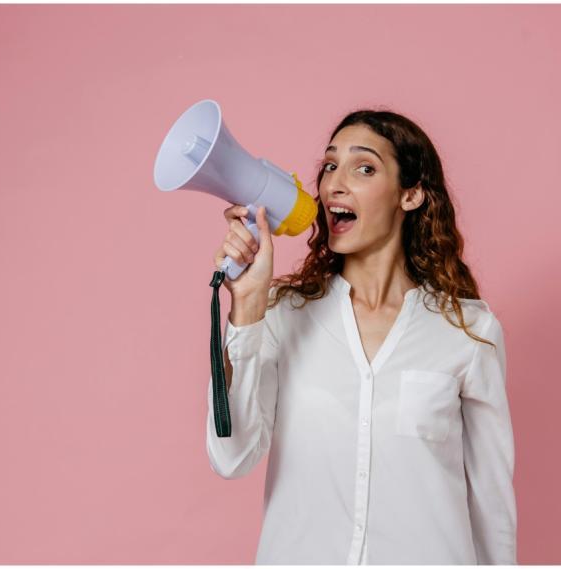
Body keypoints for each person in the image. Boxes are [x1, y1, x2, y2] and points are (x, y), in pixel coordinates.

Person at [206, 108, 517, 565]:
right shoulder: (280, 315)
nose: (334, 183)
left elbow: (491, 501)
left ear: (410, 195)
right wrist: (248, 306)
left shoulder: (467, 332)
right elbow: (231, 458)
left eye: (364, 168)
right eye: (330, 166)